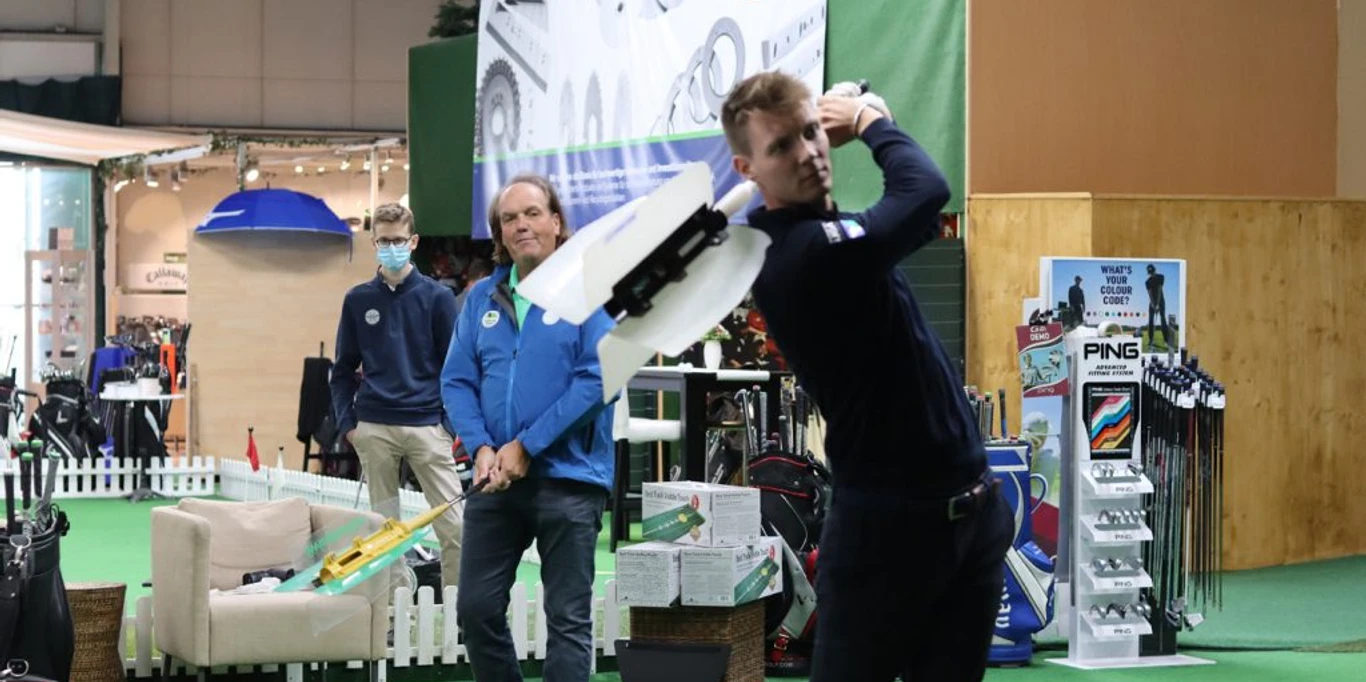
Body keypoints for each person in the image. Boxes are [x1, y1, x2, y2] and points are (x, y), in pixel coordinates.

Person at [719, 72, 1013, 681]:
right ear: (747, 168)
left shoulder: (842, 234)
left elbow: (907, 216)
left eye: (809, 133)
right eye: (781, 147)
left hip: (972, 516)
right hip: (886, 535)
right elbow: (926, 189)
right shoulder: (792, 258)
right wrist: (869, 119)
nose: (805, 154)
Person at [441, 173, 615, 682]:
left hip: (571, 479)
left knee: (567, 622)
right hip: (493, 480)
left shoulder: (590, 290)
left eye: (533, 213)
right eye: (509, 218)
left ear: (557, 222)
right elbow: (456, 380)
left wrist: (528, 446)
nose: (522, 225)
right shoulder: (481, 300)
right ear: (499, 234)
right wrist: (480, 448)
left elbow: (600, 378)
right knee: (475, 610)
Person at [330, 202, 466, 588]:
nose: (392, 247)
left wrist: (447, 425)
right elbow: (341, 370)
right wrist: (349, 426)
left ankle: (458, 614)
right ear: (374, 242)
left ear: (414, 241)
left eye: (399, 240)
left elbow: (454, 368)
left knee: (454, 525)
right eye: (385, 241)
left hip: (427, 426)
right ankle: (396, 608)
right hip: (374, 426)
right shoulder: (357, 300)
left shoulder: (438, 298)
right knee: (383, 531)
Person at [1145, 263, 1172, 350]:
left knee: (1163, 319)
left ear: (1154, 270)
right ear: (1148, 273)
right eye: (1150, 272)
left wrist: (1158, 304)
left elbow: (1159, 290)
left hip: (1161, 301)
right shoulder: (1147, 282)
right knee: (1150, 321)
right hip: (1152, 302)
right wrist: (1153, 305)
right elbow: (1150, 294)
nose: (1151, 274)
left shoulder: (1161, 277)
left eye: (1152, 272)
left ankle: (1166, 340)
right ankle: (1151, 340)